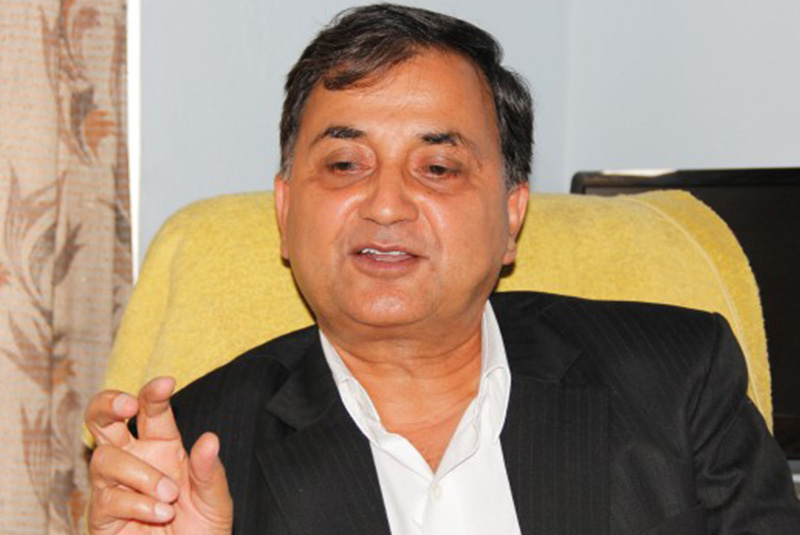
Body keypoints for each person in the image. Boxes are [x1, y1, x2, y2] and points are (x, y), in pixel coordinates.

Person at [84, 4, 800, 535]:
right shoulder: (195, 456)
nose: (386, 204)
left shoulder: (676, 378)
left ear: (511, 215)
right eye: (345, 163)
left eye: (437, 167)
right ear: (286, 209)